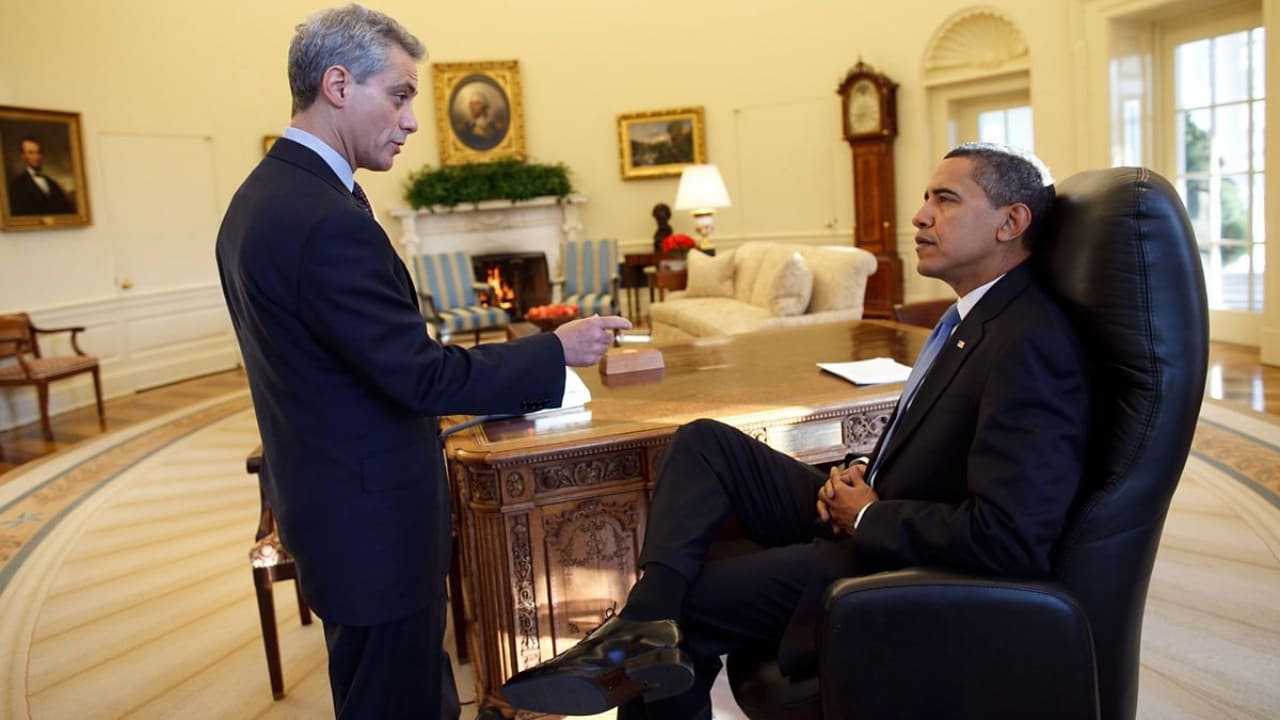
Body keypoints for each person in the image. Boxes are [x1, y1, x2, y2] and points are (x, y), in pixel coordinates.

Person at [500, 142, 1091, 718]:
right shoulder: (975, 316)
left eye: (946, 200)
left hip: (899, 564)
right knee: (705, 442)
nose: (919, 215)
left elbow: (1012, 537)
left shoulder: (1031, 342)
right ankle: (643, 621)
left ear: (1011, 221)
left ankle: (645, 633)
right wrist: (864, 475)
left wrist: (866, 516)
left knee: (694, 602)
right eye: (925, 198)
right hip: (878, 510)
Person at [214, 5, 630, 718]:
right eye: (400, 95)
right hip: (370, 523)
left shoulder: (262, 198)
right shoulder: (322, 219)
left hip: (330, 506)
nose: (412, 121)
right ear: (338, 85)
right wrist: (554, 352)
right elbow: (421, 375)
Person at [7, 137, 75, 215]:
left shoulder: (52, 184)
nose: (36, 157)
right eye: (31, 153)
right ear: (23, 156)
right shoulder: (16, 186)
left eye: (38, 152)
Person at [453, 85, 507, 150]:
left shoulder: (494, 126)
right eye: (471, 104)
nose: (472, 107)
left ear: (484, 106)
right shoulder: (467, 126)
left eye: (476, 104)